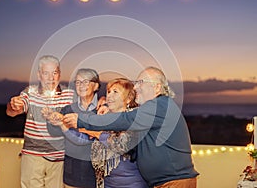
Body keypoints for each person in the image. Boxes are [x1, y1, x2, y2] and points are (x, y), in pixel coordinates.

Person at [62, 66, 199, 188]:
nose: (135, 87)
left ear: (157, 87)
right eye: (135, 83)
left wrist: (82, 120)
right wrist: (106, 107)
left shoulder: (159, 106)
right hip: (165, 182)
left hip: (174, 182)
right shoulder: (151, 110)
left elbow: (126, 119)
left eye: (141, 83)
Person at [6, 55, 74, 188]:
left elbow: (81, 117)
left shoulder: (69, 95)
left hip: (59, 158)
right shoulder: (30, 92)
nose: (51, 78)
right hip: (32, 155)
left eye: (54, 73)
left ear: (59, 74)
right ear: (39, 75)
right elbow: (11, 112)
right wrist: (14, 105)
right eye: (46, 73)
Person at [43, 68, 101, 188]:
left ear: (95, 86)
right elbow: (53, 132)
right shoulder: (68, 109)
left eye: (86, 82)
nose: (81, 85)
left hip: (95, 177)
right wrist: (51, 118)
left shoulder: (102, 110)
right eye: (78, 82)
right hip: (71, 176)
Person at [91, 78, 148, 188]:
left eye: (115, 92)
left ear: (128, 99)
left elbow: (122, 146)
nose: (110, 95)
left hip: (132, 184)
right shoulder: (105, 119)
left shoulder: (134, 120)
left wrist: (97, 133)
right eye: (108, 92)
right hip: (107, 184)